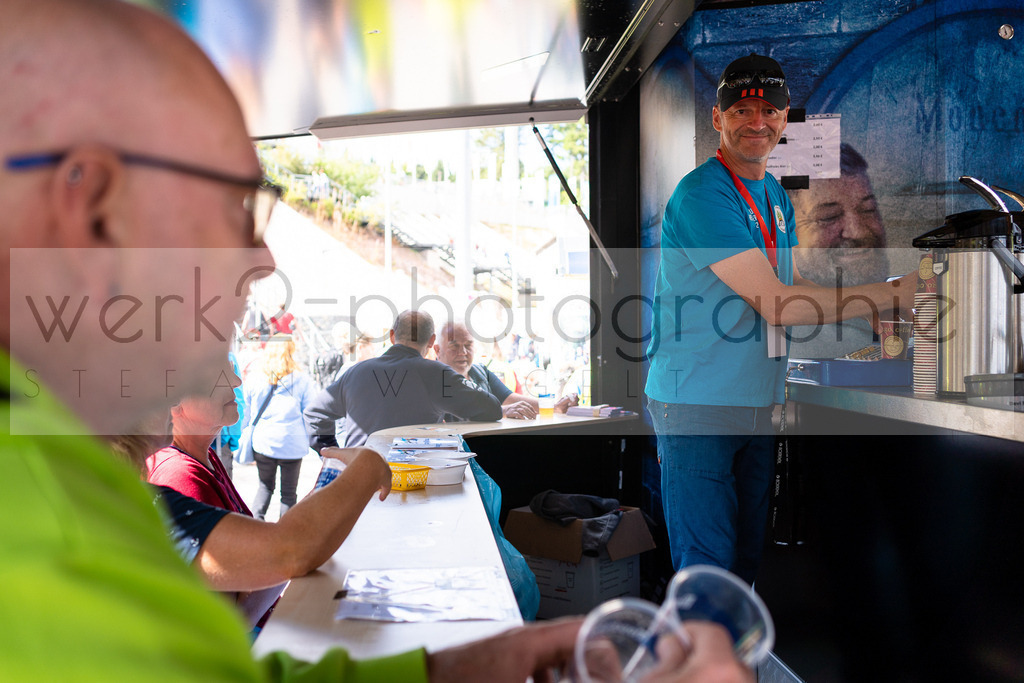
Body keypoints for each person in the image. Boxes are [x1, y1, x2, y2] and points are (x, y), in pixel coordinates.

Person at [0, 2, 581, 679]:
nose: (262, 257)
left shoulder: (67, 468)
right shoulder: (42, 507)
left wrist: (458, 666)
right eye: (235, 203)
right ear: (93, 206)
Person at [645, 53, 911, 585]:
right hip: (697, 403)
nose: (756, 122)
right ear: (717, 120)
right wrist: (886, 295)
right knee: (707, 567)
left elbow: (793, 288)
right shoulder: (703, 195)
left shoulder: (771, 194)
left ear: (784, 119)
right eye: (741, 110)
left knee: (744, 561)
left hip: (757, 402)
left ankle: (736, 665)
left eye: (768, 110)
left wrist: (877, 305)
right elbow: (777, 304)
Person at [304, 310, 503, 450]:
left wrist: (332, 452)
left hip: (358, 480)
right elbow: (491, 408)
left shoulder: (355, 372)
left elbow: (314, 414)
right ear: (432, 341)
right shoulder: (436, 374)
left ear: (392, 336)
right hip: (410, 480)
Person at [787, 143, 890, 358]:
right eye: (828, 217)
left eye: (868, 210)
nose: (858, 231)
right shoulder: (783, 339)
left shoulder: (908, 311)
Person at [433, 321, 579, 420]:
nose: (463, 352)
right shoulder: (431, 377)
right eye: (454, 346)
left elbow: (510, 399)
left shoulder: (480, 372)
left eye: (468, 345)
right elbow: (462, 410)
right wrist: (503, 411)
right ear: (437, 350)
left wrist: (554, 407)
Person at [242, 334, 319, 519]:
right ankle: (285, 534)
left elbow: (246, 412)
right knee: (289, 493)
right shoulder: (302, 380)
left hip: (263, 441)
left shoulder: (255, 378)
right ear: (291, 352)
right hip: (292, 443)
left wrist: (243, 434)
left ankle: (255, 527)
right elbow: (311, 413)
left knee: (265, 487)